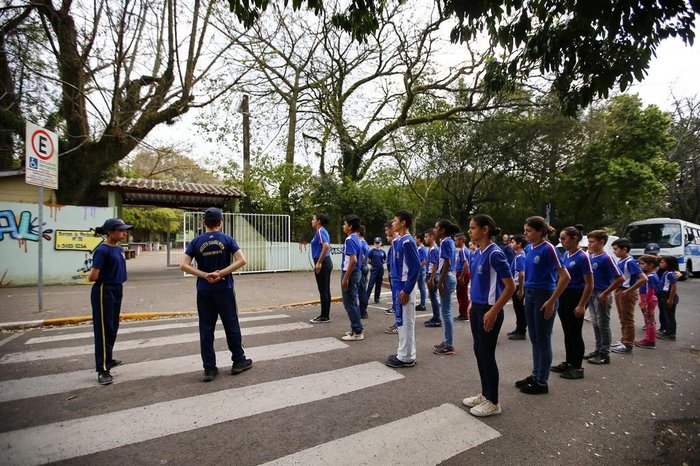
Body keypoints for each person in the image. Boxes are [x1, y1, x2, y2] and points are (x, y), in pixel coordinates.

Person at [180, 207, 253, 382]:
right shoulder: (227, 239)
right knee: (231, 324)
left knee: (206, 328)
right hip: (224, 289)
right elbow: (242, 260)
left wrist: (205, 275)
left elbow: (184, 265)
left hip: (204, 290)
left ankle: (209, 368)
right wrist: (221, 273)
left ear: (204, 223)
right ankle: (238, 361)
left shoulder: (196, 242)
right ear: (220, 223)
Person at [462, 214, 515, 417]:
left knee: (487, 354)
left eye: (473, 228)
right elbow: (477, 282)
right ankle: (485, 394)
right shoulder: (477, 253)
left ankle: (493, 401)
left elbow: (510, 287)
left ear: (485, 230)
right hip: (478, 308)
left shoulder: (495, 254)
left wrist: (493, 311)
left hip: (490, 310)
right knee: (478, 351)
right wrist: (472, 304)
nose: (470, 231)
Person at [516, 216, 570, 395]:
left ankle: (542, 381)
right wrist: (524, 292)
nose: (526, 234)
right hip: (531, 295)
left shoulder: (549, 249)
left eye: (529, 231)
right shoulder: (530, 248)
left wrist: (552, 300)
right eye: (525, 230)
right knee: (534, 337)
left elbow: (565, 277)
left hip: (544, 295)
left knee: (543, 338)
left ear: (540, 231)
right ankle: (535, 374)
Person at [88, 218, 133, 385]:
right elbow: (93, 276)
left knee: (113, 326)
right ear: (110, 232)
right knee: (103, 329)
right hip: (104, 290)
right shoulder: (102, 250)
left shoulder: (118, 249)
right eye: (121, 230)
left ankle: (109, 358)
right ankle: (102, 369)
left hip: (117, 289)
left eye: (125, 230)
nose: (124, 232)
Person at [550, 226, 594, 380]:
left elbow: (589, 284)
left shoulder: (583, 257)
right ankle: (569, 362)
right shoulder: (566, 255)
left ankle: (577, 366)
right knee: (568, 331)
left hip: (576, 296)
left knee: (575, 332)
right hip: (565, 296)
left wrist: (582, 305)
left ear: (574, 238)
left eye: (564, 238)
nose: (561, 242)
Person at [385, 210, 421, 368]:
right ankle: (403, 352)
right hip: (399, 285)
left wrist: (406, 290)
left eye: (395, 221)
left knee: (407, 321)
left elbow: (415, 267)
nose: (392, 224)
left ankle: (407, 357)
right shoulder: (399, 241)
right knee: (401, 320)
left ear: (403, 223)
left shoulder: (407, 241)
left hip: (405, 286)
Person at [584, 230, 624, 365]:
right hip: (591, 292)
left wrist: (606, 293)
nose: (589, 244)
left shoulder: (606, 258)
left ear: (601, 242)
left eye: (591, 242)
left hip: (602, 293)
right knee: (595, 323)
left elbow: (620, 278)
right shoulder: (591, 257)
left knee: (603, 324)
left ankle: (604, 353)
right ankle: (598, 349)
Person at [611, 238, 648, 354]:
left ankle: (628, 344)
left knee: (628, 319)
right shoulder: (621, 261)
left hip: (626, 291)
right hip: (620, 290)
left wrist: (629, 290)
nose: (614, 252)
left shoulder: (630, 262)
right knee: (622, 318)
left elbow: (643, 278)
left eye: (616, 249)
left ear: (624, 249)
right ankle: (624, 340)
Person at [433, 219, 460, 355]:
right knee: (446, 310)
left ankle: (449, 344)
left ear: (442, 230)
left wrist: (440, 282)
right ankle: (447, 340)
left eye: (436, 227)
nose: (434, 230)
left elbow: (447, 263)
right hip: (448, 277)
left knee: (446, 312)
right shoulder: (448, 241)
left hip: (447, 278)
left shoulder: (445, 242)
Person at [340, 214, 364, 341]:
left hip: (350, 272)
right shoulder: (357, 239)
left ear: (349, 226)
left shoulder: (349, 240)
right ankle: (355, 328)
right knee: (353, 302)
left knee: (349, 303)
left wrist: (345, 278)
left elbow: (353, 260)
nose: (343, 226)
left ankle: (357, 331)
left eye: (344, 224)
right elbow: (361, 258)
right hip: (356, 272)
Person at [309, 213, 333, 324]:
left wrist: (319, 262)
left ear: (318, 221)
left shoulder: (320, 231)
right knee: (325, 289)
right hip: (326, 261)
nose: (312, 221)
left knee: (323, 289)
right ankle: (325, 314)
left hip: (322, 262)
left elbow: (326, 246)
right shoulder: (323, 231)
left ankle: (324, 316)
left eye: (313, 219)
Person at [635, 255, 660, 349]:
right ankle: (648, 338)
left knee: (650, 321)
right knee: (648, 320)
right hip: (646, 299)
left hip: (649, 299)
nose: (640, 266)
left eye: (643, 264)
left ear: (651, 265)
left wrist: (645, 301)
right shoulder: (649, 275)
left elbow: (651, 290)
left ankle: (650, 341)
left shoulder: (651, 277)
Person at [506, 234, 527, 340]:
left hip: (519, 286)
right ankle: (518, 328)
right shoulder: (518, 255)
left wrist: (521, 290)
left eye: (513, 242)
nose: (511, 244)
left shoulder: (520, 257)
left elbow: (522, 274)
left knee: (520, 309)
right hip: (517, 286)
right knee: (517, 308)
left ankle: (521, 331)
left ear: (519, 244)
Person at [657, 255, 680, 341]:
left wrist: (670, 299)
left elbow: (673, 287)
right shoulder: (666, 272)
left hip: (668, 295)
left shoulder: (671, 273)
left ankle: (671, 334)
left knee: (670, 316)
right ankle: (667, 331)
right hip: (664, 295)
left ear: (668, 264)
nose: (661, 264)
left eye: (663, 262)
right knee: (667, 315)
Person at [424, 229, 442, 328]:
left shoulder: (434, 249)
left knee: (433, 297)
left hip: (432, 275)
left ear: (432, 237)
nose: (425, 238)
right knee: (432, 297)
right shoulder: (432, 249)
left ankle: (437, 319)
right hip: (430, 274)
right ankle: (435, 316)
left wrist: (431, 279)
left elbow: (435, 265)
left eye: (427, 236)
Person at [454, 233, 471, 322]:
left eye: (456, 240)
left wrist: (461, 276)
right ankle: (463, 313)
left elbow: (466, 264)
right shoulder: (464, 250)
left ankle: (464, 314)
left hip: (462, 273)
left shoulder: (463, 250)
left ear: (461, 241)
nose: (455, 242)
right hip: (463, 273)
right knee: (462, 294)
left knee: (462, 295)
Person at [366, 237, 387, 304]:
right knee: (371, 284)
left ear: (380, 243)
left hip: (380, 269)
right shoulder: (372, 251)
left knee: (379, 284)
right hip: (374, 268)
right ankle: (366, 298)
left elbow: (384, 260)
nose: (377, 244)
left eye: (378, 242)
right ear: (374, 243)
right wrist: (373, 264)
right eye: (376, 242)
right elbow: (368, 260)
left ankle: (377, 298)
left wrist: (380, 263)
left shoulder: (382, 252)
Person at [358, 226, 370, 319]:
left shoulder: (360, 244)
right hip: (365, 266)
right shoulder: (365, 243)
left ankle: (362, 311)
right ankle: (363, 309)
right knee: (363, 288)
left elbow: (362, 256)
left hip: (362, 267)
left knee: (361, 290)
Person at [415, 233, 428, 311]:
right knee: (421, 286)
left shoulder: (421, 249)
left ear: (419, 239)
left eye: (415, 238)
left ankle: (422, 304)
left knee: (421, 286)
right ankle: (422, 303)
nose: (414, 240)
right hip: (421, 269)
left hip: (420, 269)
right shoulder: (420, 248)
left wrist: (418, 268)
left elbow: (423, 261)